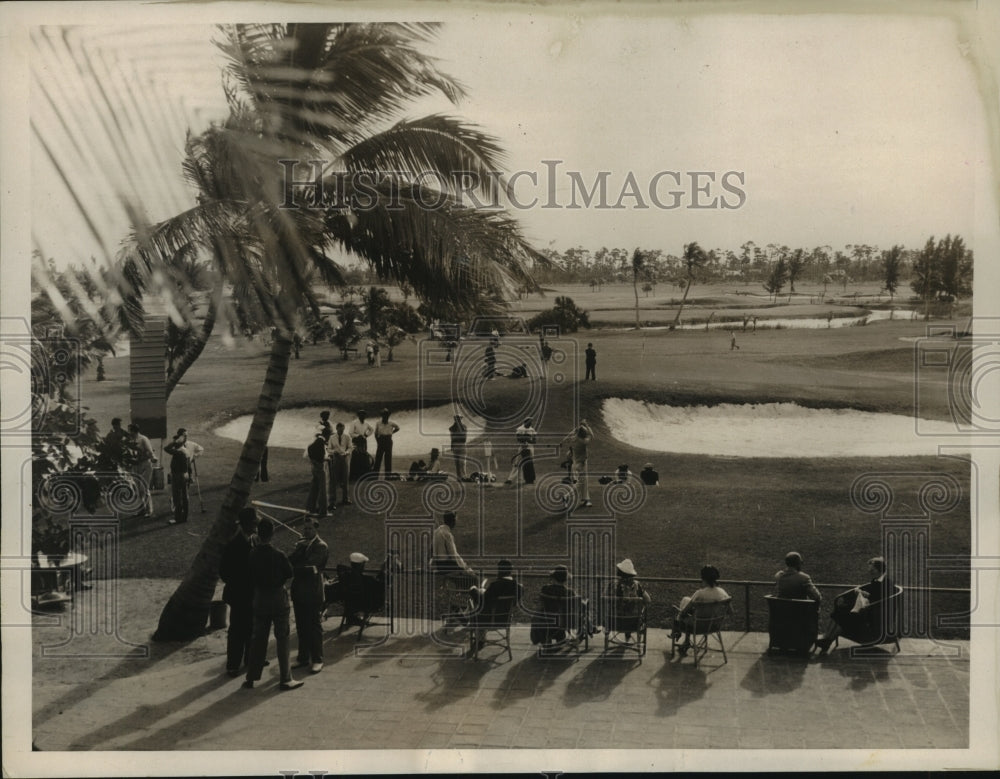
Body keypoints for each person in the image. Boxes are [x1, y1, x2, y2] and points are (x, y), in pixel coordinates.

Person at [242, 518, 303, 690]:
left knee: (258, 639)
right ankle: (286, 678)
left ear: (258, 533)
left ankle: (251, 677)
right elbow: (289, 573)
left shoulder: (252, 553)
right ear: (272, 533)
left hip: (260, 597)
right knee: (282, 638)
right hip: (277, 598)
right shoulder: (278, 554)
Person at [815, 556, 894, 652]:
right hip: (866, 609)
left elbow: (882, 601)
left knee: (843, 615)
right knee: (839, 610)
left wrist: (866, 595)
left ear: (879, 570)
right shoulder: (876, 580)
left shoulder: (887, 583)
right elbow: (873, 593)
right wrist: (861, 592)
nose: (869, 572)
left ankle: (827, 640)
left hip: (872, 614)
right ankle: (827, 638)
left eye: (872, 570)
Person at [219, 507, 259, 676]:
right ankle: (233, 664)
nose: (257, 524)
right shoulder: (234, 544)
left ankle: (249, 659)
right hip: (238, 595)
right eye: (254, 521)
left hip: (251, 594)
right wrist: (241, 582)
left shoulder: (254, 540)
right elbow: (224, 572)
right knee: (237, 630)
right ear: (247, 524)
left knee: (250, 627)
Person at [289, 516, 329, 673]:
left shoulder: (321, 546)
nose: (306, 531)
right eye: (305, 528)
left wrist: (301, 552)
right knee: (301, 625)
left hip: (312, 591)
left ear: (316, 529)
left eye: (310, 528)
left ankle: (317, 659)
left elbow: (309, 566)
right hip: (299, 590)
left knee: (313, 626)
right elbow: (290, 561)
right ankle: (303, 658)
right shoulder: (301, 545)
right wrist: (299, 549)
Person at [670, 565, 731, 657]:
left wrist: (679, 614)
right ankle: (685, 641)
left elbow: (685, 612)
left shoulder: (700, 593)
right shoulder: (723, 592)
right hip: (714, 625)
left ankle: (678, 634)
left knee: (682, 611)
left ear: (703, 579)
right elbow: (730, 611)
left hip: (697, 626)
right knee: (686, 600)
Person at [468, 559, 523, 654]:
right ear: (510, 571)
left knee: (477, 607)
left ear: (499, 571)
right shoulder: (519, 587)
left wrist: (473, 590)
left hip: (488, 619)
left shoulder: (494, 585)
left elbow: (482, 601)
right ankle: (480, 637)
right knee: (486, 606)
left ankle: (480, 639)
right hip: (505, 619)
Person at [531, 564, 587, 646]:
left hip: (548, 621)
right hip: (566, 622)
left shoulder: (545, 589)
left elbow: (540, 605)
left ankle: (545, 639)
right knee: (583, 612)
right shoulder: (570, 592)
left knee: (540, 614)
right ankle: (586, 630)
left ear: (553, 577)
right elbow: (581, 607)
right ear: (565, 579)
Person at [609, 558, 652, 642]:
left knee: (619, 609)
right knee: (632, 610)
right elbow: (648, 600)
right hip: (633, 623)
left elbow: (604, 599)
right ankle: (628, 632)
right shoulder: (637, 585)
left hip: (613, 622)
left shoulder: (612, 584)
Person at [431, 511, 476, 582]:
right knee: (472, 578)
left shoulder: (436, 532)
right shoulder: (447, 534)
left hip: (439, 565)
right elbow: (453, 554)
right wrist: (464, 567)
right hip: (447, 566)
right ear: (452, 522)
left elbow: (432, 550)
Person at [560, 420, 593, 508]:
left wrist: (577, 428)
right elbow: (592, 436)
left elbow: (571, 435)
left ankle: (585, 499)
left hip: (576, 463)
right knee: (580, 484)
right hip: (581, 464)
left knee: (584, 481)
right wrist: (587, 425)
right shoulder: (583, 442)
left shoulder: (573, 439)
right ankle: (566, 496)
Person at [163, 429, 194, 525]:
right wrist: (190, 475)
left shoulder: (179, 451)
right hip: (185, 475)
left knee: (177, 497)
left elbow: (166, 448)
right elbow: (189, 466)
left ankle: (178, 518)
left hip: (178, 475)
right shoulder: (186, 451)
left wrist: (175, 442)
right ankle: (183, 517)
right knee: (184, 496)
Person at [127, 423, 155, 517]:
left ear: (134, 431)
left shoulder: (143, 439)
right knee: (138, 489)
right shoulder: (131, 440)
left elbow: (149, 452)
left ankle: (149, 510)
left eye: (129, 430)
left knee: (144, 488)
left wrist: (141, 458)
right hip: (136, 466)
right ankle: (141, 509)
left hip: (145, 465)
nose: (128, 432)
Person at [505, 418, 537, 486]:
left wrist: (528, 440)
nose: (530, 424)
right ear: (525, 422)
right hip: (522, 448)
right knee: (517, 464)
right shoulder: (520, 429)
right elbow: (518, 439)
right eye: (529, 422)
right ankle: (510, 479)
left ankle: (529, 479)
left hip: (530, 448)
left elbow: (534, 441)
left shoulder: (532, 430)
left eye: (531, 422)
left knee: (529, 464)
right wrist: (525, 439)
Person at [328, 421, 353, 507]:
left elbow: (350, 447)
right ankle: (332, 502)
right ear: (336, 429)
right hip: (336, 459)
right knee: (334, 480)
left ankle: (345, 499)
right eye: (339, 430)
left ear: (344, 429)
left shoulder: (347, 437)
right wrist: (334, 452)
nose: (341, 431)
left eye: (342, 430)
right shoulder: (332, 437)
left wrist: (346, 453)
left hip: (345, 459)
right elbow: (328, 449)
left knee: (345, 479)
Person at [304, 432, 328, 517]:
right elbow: (322, 458)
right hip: (320, 469)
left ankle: (310, 508)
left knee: (313, 489)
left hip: (313, 468)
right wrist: (327, 459)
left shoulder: (310, 447)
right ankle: (323, 510)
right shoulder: (321, 448)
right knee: (322, 491)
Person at [372, 408, 400, 478]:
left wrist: (391, 433)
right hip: (381, 440)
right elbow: (375, 433)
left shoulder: (391, 423)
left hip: (388, 440)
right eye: (384, 415)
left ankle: (388, 476)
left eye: (387, 415)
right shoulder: (378, 423)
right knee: (378, 458)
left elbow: (398, 428)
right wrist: (378, 441)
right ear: (382, 416)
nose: (385, 417)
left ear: (388, 416)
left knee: (388, 458)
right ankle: (375, 476)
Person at [349, 410, 373, 480]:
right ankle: (355, 476)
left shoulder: (366, 423)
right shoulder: (354, 423)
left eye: (364, 415)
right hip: (356, 441)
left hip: (363, 441)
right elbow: (350, 433)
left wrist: (366, 435)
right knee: (356, 457)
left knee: (364, 456)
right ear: (358, 415)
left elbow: (371, 430)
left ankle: (363, 475)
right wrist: (357, 436)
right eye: (361, 415)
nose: (362, 416)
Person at [449, 413, 468, 480]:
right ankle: (460, 477)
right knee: (458, 463)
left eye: (459, 419)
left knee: (461, 462)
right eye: (458, 419)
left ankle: (463, 476)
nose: (459, 420)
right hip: (458, 445)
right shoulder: (455, 427)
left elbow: (463, 438)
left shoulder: (462, 427)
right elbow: (452, 437)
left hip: (460, 445)